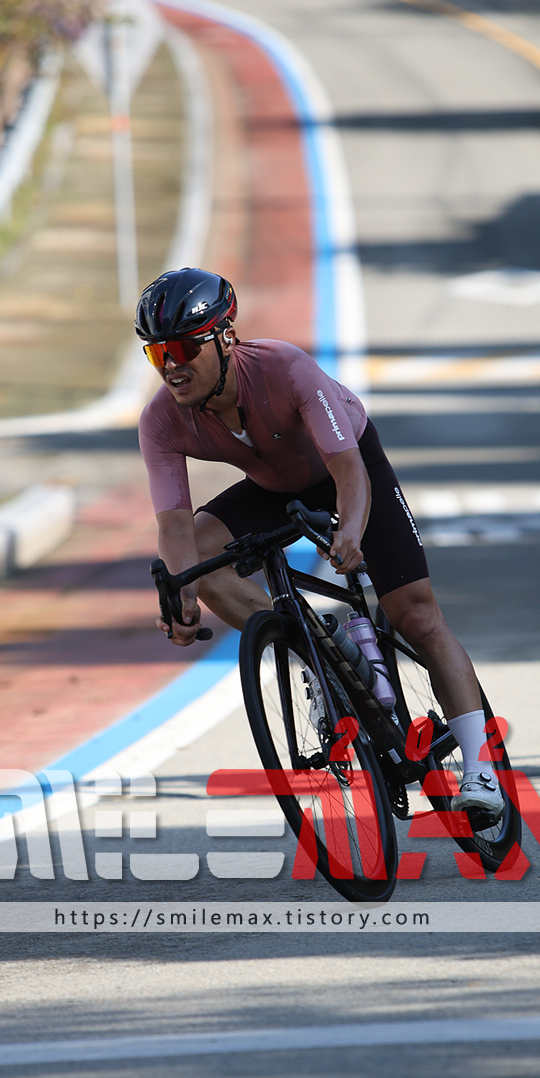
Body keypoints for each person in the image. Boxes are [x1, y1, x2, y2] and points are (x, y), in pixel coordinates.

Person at [136, 267, 507, 825]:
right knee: (201, 565)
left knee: (415, 615)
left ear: (225, 338)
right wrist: (181, 597)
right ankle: (312, 649)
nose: (170, 366)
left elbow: (348, 469)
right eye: (156, 353)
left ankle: (481, 770)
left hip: (349, 467)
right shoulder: (161, 420)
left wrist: (350, 532)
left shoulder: (284, 369)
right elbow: (174, 525)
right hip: (271, 487)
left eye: (184, 348)